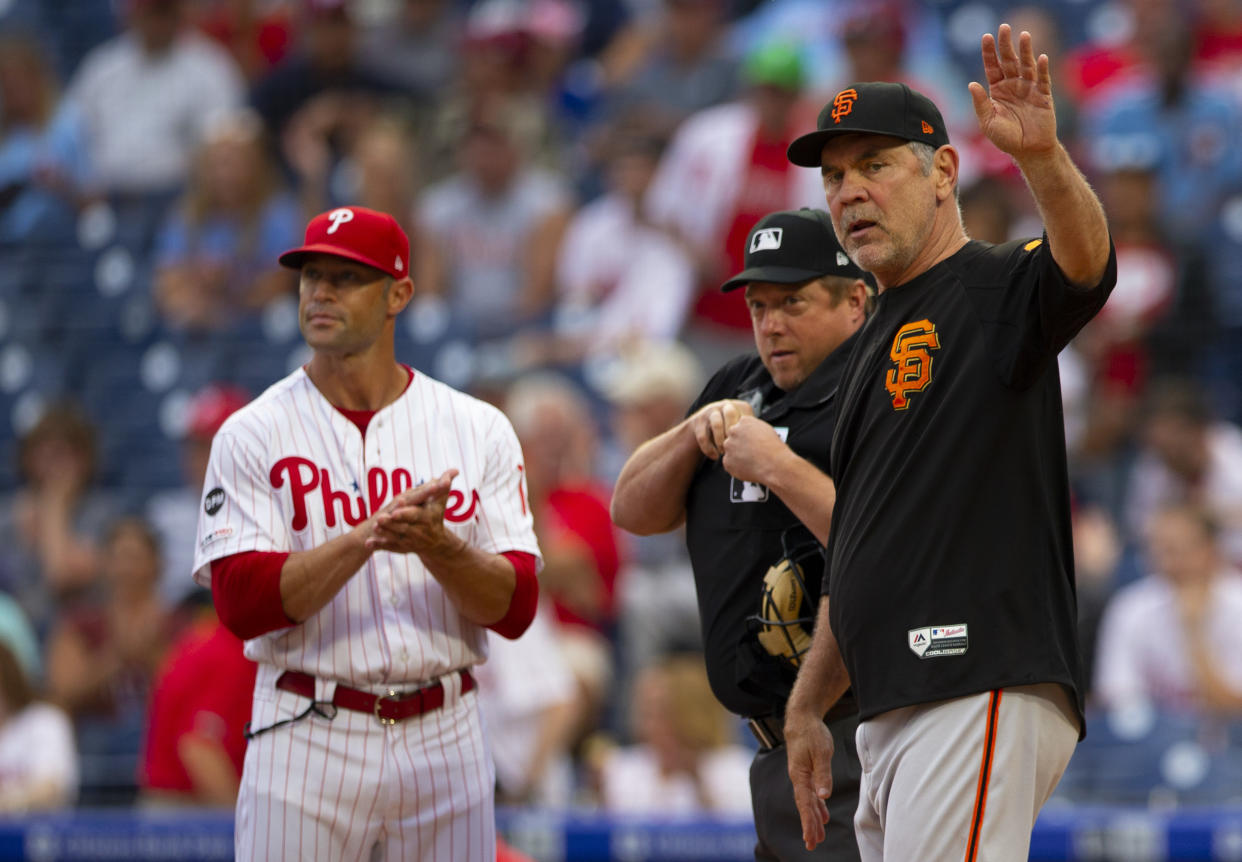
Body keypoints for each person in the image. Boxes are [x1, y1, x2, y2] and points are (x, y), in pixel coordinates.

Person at [780, 24, 1116, 861]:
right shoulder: (869, 343)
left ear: (941, 172)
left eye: (875, 165)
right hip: (897, 700)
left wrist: (1041, 159)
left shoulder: (988, 285)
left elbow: (1086, 266)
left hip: (974, 674)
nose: (849, 191)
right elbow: (860, 543)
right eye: (834, 176)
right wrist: (808, 703)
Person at [191, 205, 542, 861]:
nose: (320, 292)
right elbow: (240, 603)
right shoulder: (252, 432)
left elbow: (516, 607)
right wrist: (366, 538)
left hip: (447, 730)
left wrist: (440, 546)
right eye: (310, 276)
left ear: (398, 294)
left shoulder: (475, 427)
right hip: (306, 728)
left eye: (346, 278)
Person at [611, 207, 871, 861]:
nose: (771, 324)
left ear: (855, 302)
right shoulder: (738, 385)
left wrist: (780, 468)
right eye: (759, 306)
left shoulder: (879, 390)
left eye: (793, 301)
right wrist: (687, 436)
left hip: (856, 731)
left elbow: (887, 541)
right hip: (770, 741)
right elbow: (632, 509)